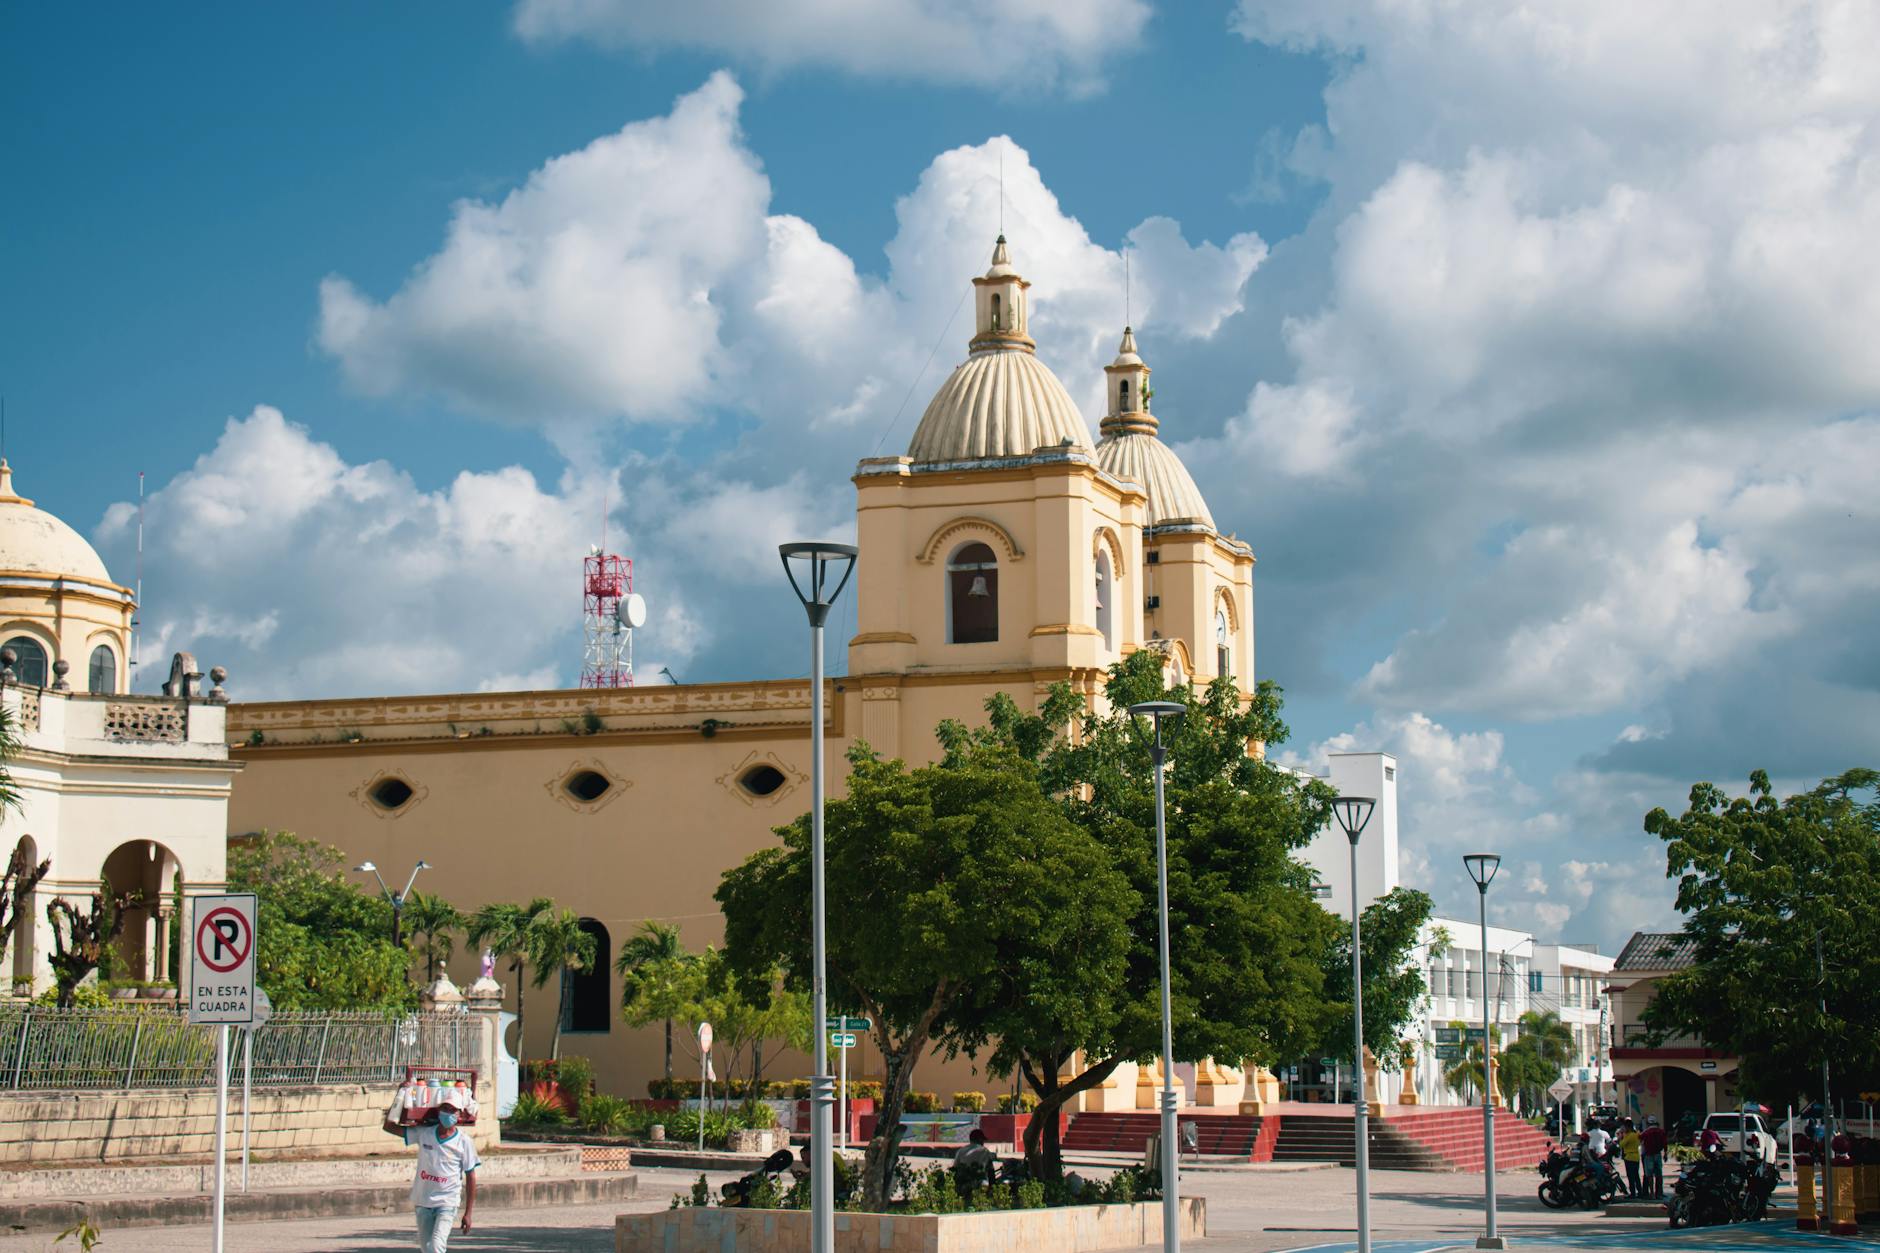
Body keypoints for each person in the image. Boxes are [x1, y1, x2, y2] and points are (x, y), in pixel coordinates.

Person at [383, 1085, 479, 1252]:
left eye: (452, 1110)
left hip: (447, 1203)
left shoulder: (464, 1142)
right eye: (445, 1108)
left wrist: (468, 1213)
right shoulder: (424, 1133)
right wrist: (399, 1095)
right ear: (438, 1110)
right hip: (423, 1201)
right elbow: (389, 1127)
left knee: (436, 1246)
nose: (447, 1113)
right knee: (427, 1249)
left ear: (459, 1114)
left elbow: (471, 1176)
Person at [1639, 1115, 1667, 1199]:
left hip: (1648, 1155)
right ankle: (1659, 1193)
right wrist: (1665, 1153)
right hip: (1658, 1154)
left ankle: (1652, 1193)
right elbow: (1665, 1143)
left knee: (1649, 1175)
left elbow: (1640, 1139)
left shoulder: (1646, 1132)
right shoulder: (1661, 1131)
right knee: (1659, 1175)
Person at [1618, 1118, 1642, 1198]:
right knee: (1636, 1176)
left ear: (1628, 1127)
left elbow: (1621, 1145)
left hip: (1629, 1157)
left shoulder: (1629, 1136)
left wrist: (1621, 1137)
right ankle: (1640, 1191)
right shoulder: (1636, 1134)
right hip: (1636, 1157)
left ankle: (1633, 1193)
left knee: (1631, 1176)